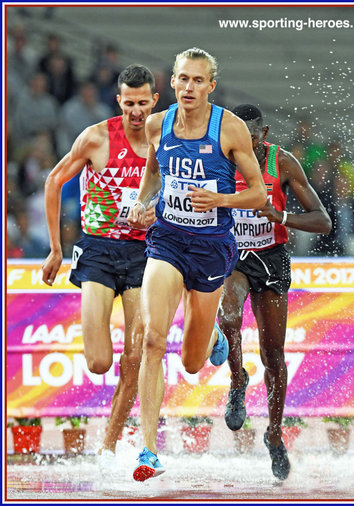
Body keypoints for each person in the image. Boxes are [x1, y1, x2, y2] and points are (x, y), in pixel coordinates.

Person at [128, 48, 267, 482]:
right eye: (182, 79)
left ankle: (211, 345)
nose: (188, 87)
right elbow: (153, 172)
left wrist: (220, 199)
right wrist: (141, 202)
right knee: (152, 338)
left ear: (211, 86)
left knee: (191, 362)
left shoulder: (230, 128)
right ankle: (148, 450)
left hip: (211, 248)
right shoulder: (157, 124)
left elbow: (259, 194)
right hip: (167, 240)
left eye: (197, 80)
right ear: (171, 82)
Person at [41, 64, 159, 476]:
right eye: (129, 104)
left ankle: (108, 445)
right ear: (119, 101)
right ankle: (108, 439)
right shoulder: (95, 137)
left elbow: (185, 192)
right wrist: (56, 248)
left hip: (144, 255)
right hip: (96, 251)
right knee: (98, 363)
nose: (137, 112)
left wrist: (155, 214)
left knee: (136, 356)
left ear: (154, 101)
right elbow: (54, 181)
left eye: (143, 103)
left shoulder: (166, 140)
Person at [218, 104, 332, 480]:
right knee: (228, 314)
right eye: (237, 138)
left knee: (273, 354)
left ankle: (273, 433)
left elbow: (323, 221)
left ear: (263, 134)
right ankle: (237, 380)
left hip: (271, 257)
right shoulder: (218, 158)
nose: (243, 147)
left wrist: (281, 217)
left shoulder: (282, 163)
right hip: (234, 257)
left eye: (250, 139)